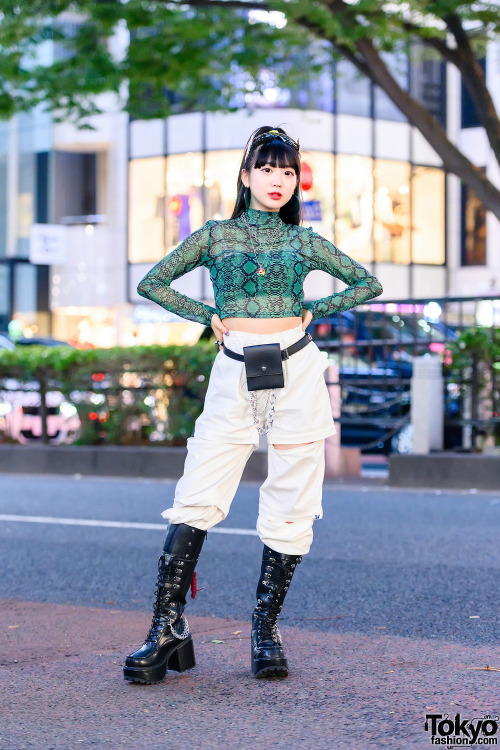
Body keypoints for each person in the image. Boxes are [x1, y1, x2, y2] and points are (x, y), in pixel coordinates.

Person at [123, 126, 383, 683]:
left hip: (298, 368)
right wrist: (208, 318)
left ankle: (266, 630)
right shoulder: (216, 236)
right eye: (267, 169)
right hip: (234, 370)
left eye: (288, 172)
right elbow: (153, 282)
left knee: (292, 497)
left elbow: (367, 283)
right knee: (198, 492)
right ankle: (166, 627)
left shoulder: (304, 241)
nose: (278, 181)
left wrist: (316, 309)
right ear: (245, 176)